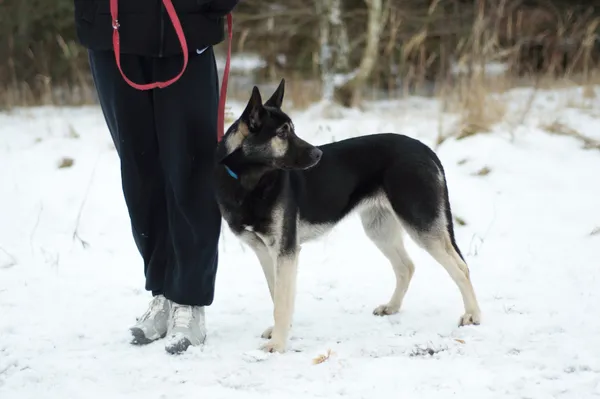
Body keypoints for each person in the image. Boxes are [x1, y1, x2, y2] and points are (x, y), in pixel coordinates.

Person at [73, 0, 240, 354]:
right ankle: (162, 290)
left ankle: (189, 300)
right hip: (112, 31)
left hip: (183, 31)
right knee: (139, 171)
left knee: (191, 167)